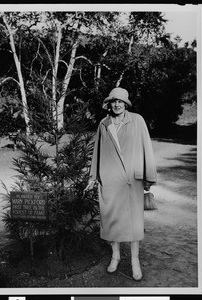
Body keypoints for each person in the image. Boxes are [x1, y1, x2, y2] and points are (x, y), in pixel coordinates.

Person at [85, 87, 157, 281]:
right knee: (112, 221)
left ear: (126, 104)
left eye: (121, 102)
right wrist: (93, 178)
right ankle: (115, 257)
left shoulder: (137, 120)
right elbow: (97, 153)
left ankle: (135, 261)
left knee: (134, 224)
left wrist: (149, 178)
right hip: (110, 180)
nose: (117, 105)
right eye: (114, 101)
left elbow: (146, 148)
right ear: (110, 103)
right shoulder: (104, 123)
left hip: (132, 181)